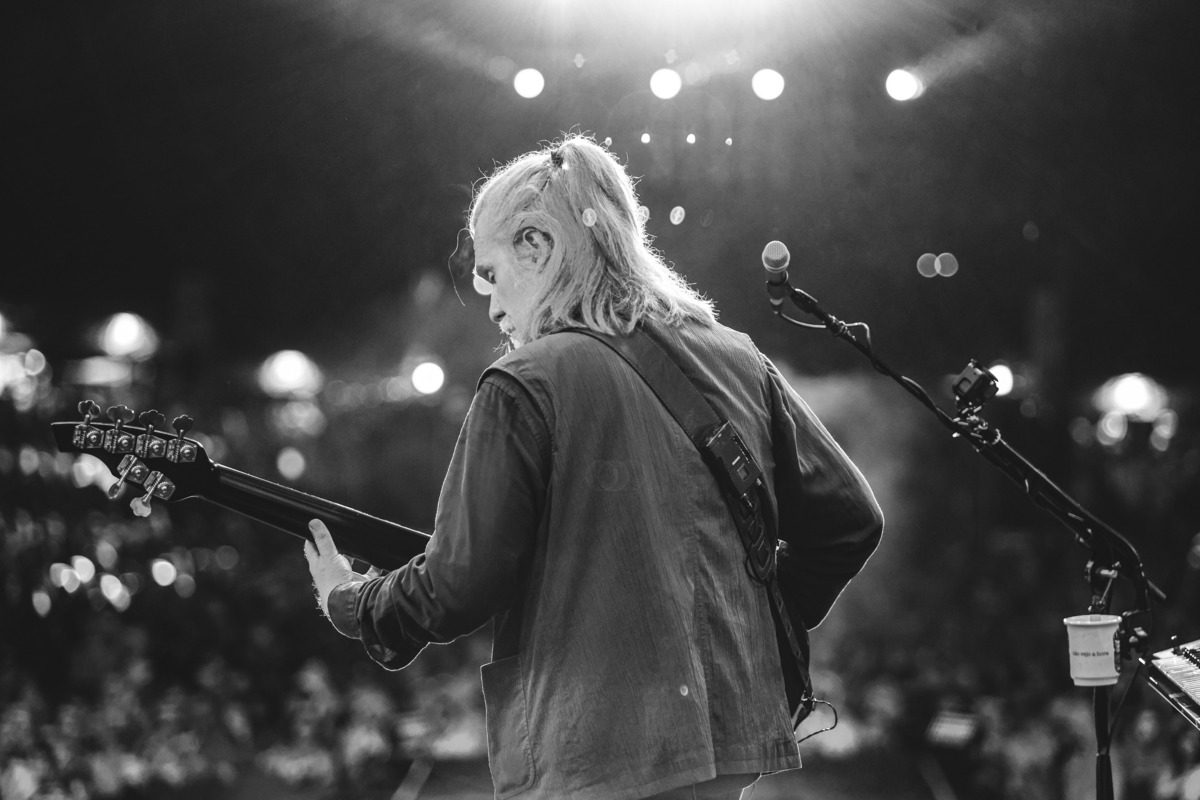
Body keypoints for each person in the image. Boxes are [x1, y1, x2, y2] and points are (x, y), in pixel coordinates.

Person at [304, 134, 884, 800]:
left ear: (536, 246)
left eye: (491, 274)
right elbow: (851, 521)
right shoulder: (739, 359)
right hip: (727, 746)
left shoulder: (524, 382)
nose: (491, 306)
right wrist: (753, 624)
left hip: (594, 756)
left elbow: (458, 585)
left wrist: (352, 600)